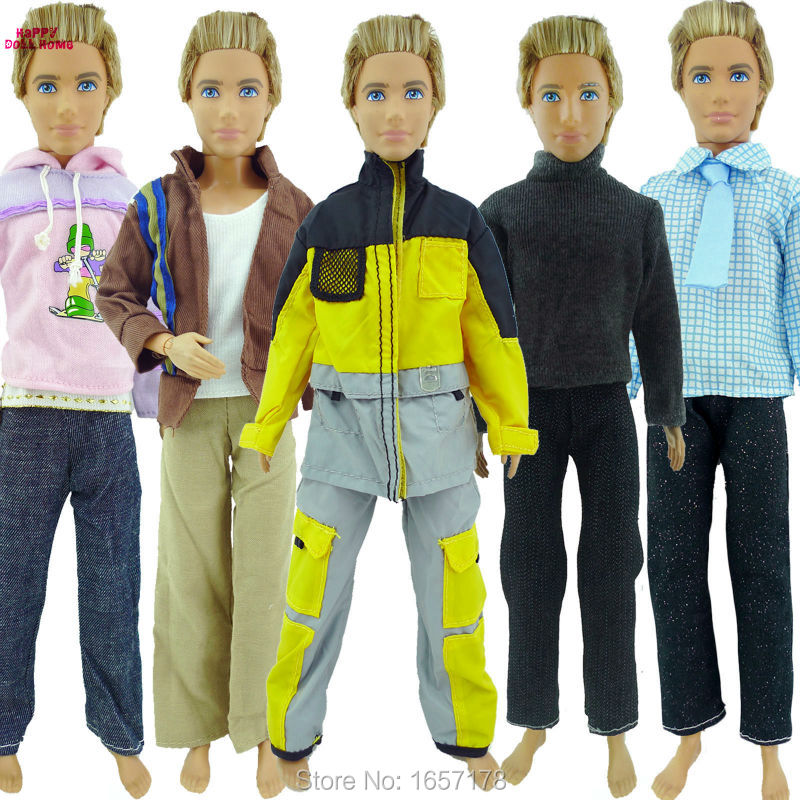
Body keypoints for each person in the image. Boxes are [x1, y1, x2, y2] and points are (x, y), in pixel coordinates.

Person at [240, 13, 537, 792]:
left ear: (437, 102)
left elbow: (494, 334)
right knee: (310, 594)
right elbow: (292, 333)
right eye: (376, 93)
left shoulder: (462, 223)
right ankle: (288, 739)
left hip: (440, 439)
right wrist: (268, 424)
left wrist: (509, 425)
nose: (395, 110)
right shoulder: (328, 223)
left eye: (412, 92)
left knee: (455, 598)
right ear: (351, 104)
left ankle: (467, 735)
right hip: (341, 436)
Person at [97, 11, 312, 797]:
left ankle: (263, 729)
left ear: (272, 98)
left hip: (266, 413)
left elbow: (323, 314)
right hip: (187, 411)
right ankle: (195, 730)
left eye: (247, 90)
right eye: (212, 89)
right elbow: (113, 292)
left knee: (267, 571)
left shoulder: (298, 209)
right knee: (189, 572)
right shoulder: (156, 203)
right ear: (187, 95)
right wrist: (163, 343)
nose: (229, 107)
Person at [479, 15, 685, 798]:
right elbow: (483, 328)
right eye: (552, 95)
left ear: (614, 101)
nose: (570, 114)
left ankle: (616, 726)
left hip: (606, 412)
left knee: (611, 564)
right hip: (527, 415)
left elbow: (657, 320)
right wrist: (483, 417)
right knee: (529, 566)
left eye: (588, 94)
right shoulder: (501, 213)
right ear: (527, 102)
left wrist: (666, 411)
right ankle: (532, 721)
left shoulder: (637, 214)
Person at [630, 3, 796, 799]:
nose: (720, 92)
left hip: (757, 395)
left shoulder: (783, 194)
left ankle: (769, 741)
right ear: (679, 86)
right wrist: (634, 376)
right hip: (675, 403)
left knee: (762, 565)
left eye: (737, 75)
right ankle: (689, 730)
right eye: (702, 76)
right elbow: (635, 297)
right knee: (671, 563)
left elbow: (796, 296)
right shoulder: (654, 194)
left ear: (763, 86)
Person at [0, 3, 151, 797]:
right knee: (11, 581)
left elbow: (154, 302)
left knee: (113, 586)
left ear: (112, 90)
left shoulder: (131, 195)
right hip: (24, 413)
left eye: (86, 83)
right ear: (21, 90)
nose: (67, 103)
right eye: (48, 83)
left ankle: (121, 733)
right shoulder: (6, 193)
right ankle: (2, 731)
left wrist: (158, 401)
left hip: (107, 421)